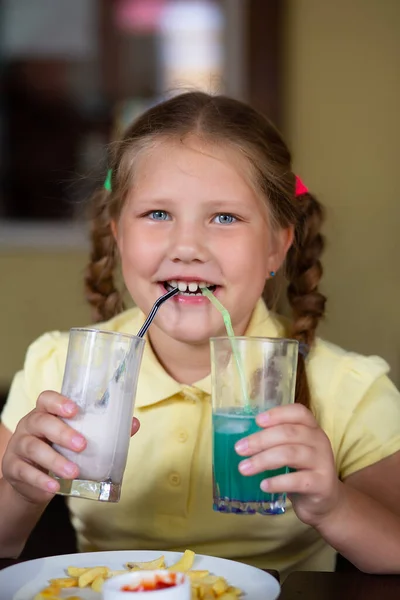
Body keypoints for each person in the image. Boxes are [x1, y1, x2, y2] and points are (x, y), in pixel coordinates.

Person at [1, 92, 399, 574]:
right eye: (158, 214)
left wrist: (334, 506)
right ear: (119, 235)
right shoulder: (57, 367)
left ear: (277, 246)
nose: (187, 247)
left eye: (225, 217)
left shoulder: (349, 387)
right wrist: (21, 490)